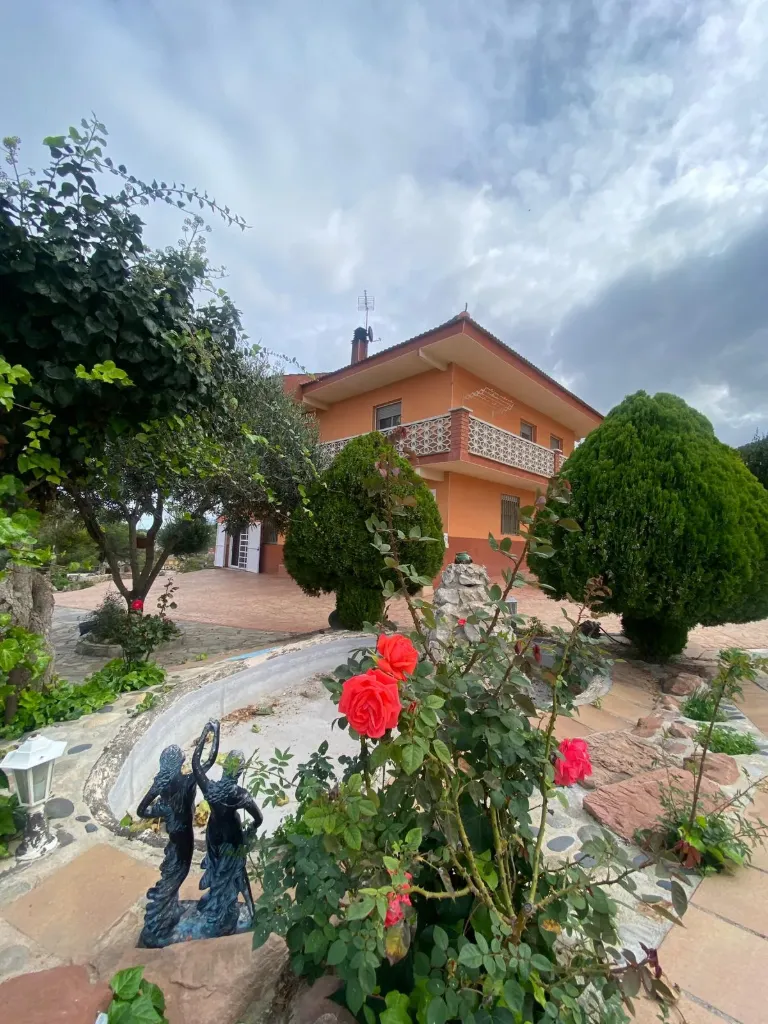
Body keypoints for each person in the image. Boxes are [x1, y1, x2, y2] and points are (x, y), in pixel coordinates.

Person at [136, 739, 213, 947]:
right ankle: (160, 919)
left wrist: (162, 810)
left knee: (175, 872)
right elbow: (207, 762)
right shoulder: (188, 781)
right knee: (178, 873)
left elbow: (141, 811)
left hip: (174, 835)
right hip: (184, 836)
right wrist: (211, 733)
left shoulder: (160, 783)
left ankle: (169, 909)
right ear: (180, 762)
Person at [191, 720, 263, 935]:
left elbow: (196, 763)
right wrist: (251, 830)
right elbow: (258, 818)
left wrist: (209, 734)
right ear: (240, 771)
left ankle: (218, 902)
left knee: (217, 870)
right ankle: (250, 910)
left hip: (214, 836)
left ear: (224, 768)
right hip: (233, 837)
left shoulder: (210, 789)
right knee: (238, 873)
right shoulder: (241, 795)